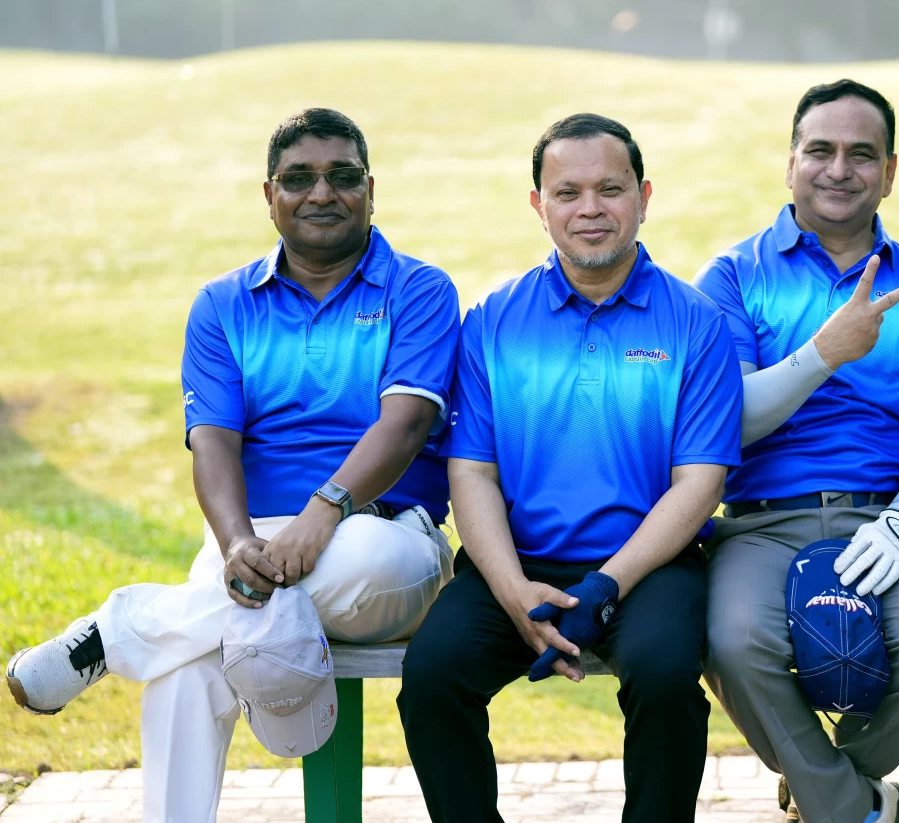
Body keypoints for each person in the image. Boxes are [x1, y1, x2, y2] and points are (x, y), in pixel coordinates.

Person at [6, 108, 459, 823]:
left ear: (371, 190)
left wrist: (324, 513)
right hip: (255, 541)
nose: (321, 193)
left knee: (357, 556)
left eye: (342, 176)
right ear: (269, 195)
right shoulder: (222, 305)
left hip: (387, 542)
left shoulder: (420, 290)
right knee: (184, 667)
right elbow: (212, 442)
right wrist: (236, 541)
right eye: (298, 179)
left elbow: (404, 425)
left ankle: (119, 630)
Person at [396, 113, 743, 823]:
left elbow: (700, 484)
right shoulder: (492, 320)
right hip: (515, 562)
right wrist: (513, 590)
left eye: (610, 189)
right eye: (567, 192)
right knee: (431, 678)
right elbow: (473, 475)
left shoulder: (696, 322)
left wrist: (605, 587)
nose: (590, 209)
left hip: (649, 565)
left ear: (644, 197)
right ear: (539, 205)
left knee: (665, 680)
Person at [694, 80, 899, 823]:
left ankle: (827, 788)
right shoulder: (732, 277)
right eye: (820, 150)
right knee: (730, 641)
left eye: (863, 154)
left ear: (890, 171)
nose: (839, 169)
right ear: (790, 163)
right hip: (759, 523)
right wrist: (825, 352)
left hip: (886, 519)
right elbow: (728, 422)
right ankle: (859, 807)